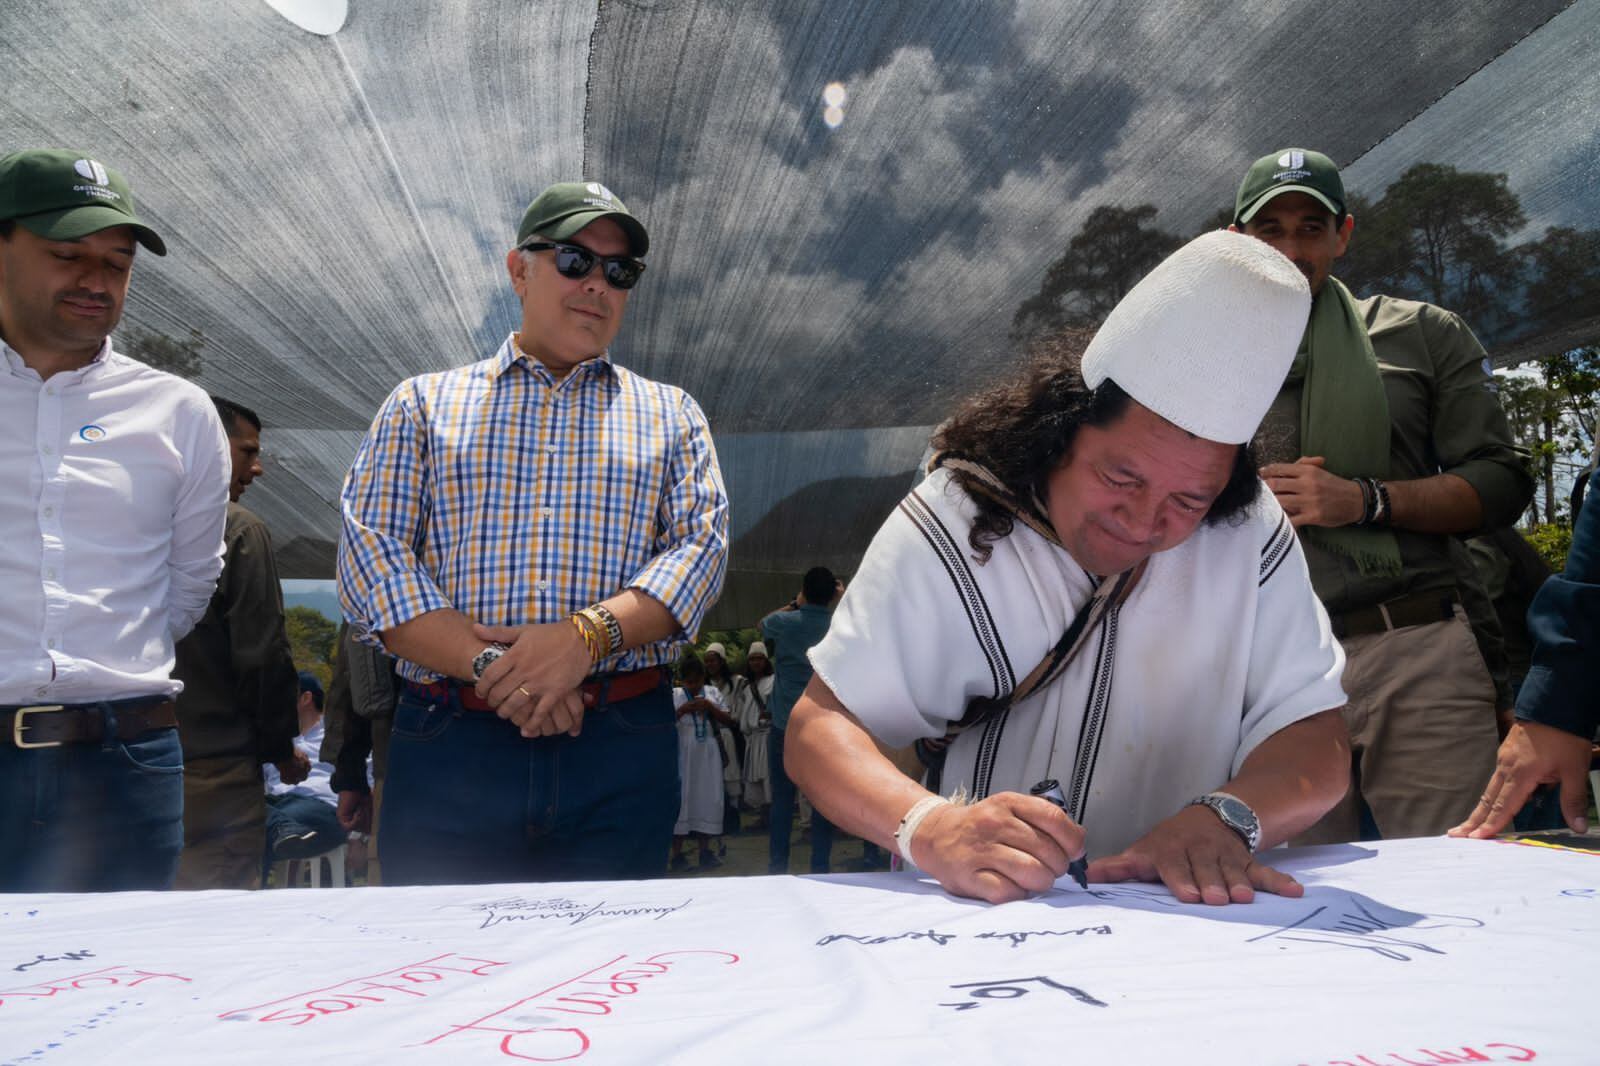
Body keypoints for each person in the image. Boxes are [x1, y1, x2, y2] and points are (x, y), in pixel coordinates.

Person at [786, 231, 1350, 906]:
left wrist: (1228, 817)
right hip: (995, 917)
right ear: (1063, 431)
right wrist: (930, 827)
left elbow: (1316, 740)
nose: (1143, 522)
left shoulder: (1250, 530)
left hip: (1194, 916)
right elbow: (819, 729)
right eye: (1120, 479)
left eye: (1188, 501)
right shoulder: (958, 518)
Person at [338, 181, 728, 885]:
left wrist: (584, 639)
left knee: (611, 948)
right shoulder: (422, 404)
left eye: (620, 271)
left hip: (618, 744)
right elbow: (374, 560)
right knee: (440, 947)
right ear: (519, 270)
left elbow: (699, 552)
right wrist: (494, 668)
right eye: (575, 260)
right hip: (453, 742)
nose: (598, 284)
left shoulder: (672, 414)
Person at [1231, 148, 1534, 843]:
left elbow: (1501, 481)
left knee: (1459, 878)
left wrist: (1365, 501)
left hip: (1416, 648)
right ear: (1237, 240)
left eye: (1311, 228)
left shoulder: (1421, 332)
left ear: (1342, 235)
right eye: (1270, 229)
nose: (1291, 249)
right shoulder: (1202, 358)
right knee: (1294, 890)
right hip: (1275, 671)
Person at [0, 149, 229, 892]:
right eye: (67, 255)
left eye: (117, 263)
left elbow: (189, 584)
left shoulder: (179, 411)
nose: (96, 281)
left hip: (126, 765)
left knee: (121, 965)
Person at [174, 397, 309, 890]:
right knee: (211, 912)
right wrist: (281, 749)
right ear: (206, 444)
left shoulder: (118, 523)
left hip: (120, 763)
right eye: (247, 451)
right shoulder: (238, 529)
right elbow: (262, 656)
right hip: (213, 775)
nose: (257, 468)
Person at [1452, 483, 1600, 839]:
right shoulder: (1505, 542)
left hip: (1526, 684)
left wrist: (1552, 699)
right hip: (1540, 686)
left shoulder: (1479, 543)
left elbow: (1478, 607)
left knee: (1533, 803)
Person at [761, 567, 846, 873]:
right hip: (824, 727)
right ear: (832, 594)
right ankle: (820, 867)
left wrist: (795, 604)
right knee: (822, 800)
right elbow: (861, 624)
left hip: (785, 725)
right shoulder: (839, 625)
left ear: (804, 591)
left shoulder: (785, 623)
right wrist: (840, 600)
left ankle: (778, 868)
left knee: (783, 801)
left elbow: (763, 624)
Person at [263, 672, 353, 879]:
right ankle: (281, 827)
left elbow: (366, 778)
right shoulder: (273, 738)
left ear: (305, 698)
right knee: (241, 813)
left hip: (323, 807)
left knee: (252, 826)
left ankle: (279, 827)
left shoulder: (339, 733)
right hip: (277, 804)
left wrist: (359, 837)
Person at [669, 656, 736, 871]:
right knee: (683, 799)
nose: (694, 686)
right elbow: (666, 723)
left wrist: (709, 707)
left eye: (697, 681)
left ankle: (705, 851)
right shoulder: (675, 694)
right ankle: (677, 855)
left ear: (703, 677)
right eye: (689, 682)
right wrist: (683, 710)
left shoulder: (712, 692)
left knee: (707, 798)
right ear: (681, 681)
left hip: (707, 752)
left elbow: (729, 720)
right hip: (683, 751)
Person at [701, 641, 744, 832]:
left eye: (713, 660)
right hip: (709, 735)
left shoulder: (736, 682)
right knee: (712, 777)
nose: (710, 664)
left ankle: (733, 816)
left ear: (722, 661)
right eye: (707, 661)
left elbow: (735, 715)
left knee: (730, 774)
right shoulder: (703, 685)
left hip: (727, 733)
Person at [735, 642, 775, 822]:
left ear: (766, 661)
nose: (756, 662)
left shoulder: (774, 681)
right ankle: (763, 816)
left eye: (759, 658)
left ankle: (773, 816)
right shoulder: (746, 687)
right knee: (756, 780)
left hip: (768, 737)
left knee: (768, 777)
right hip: (752, 738)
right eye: (752, 659)